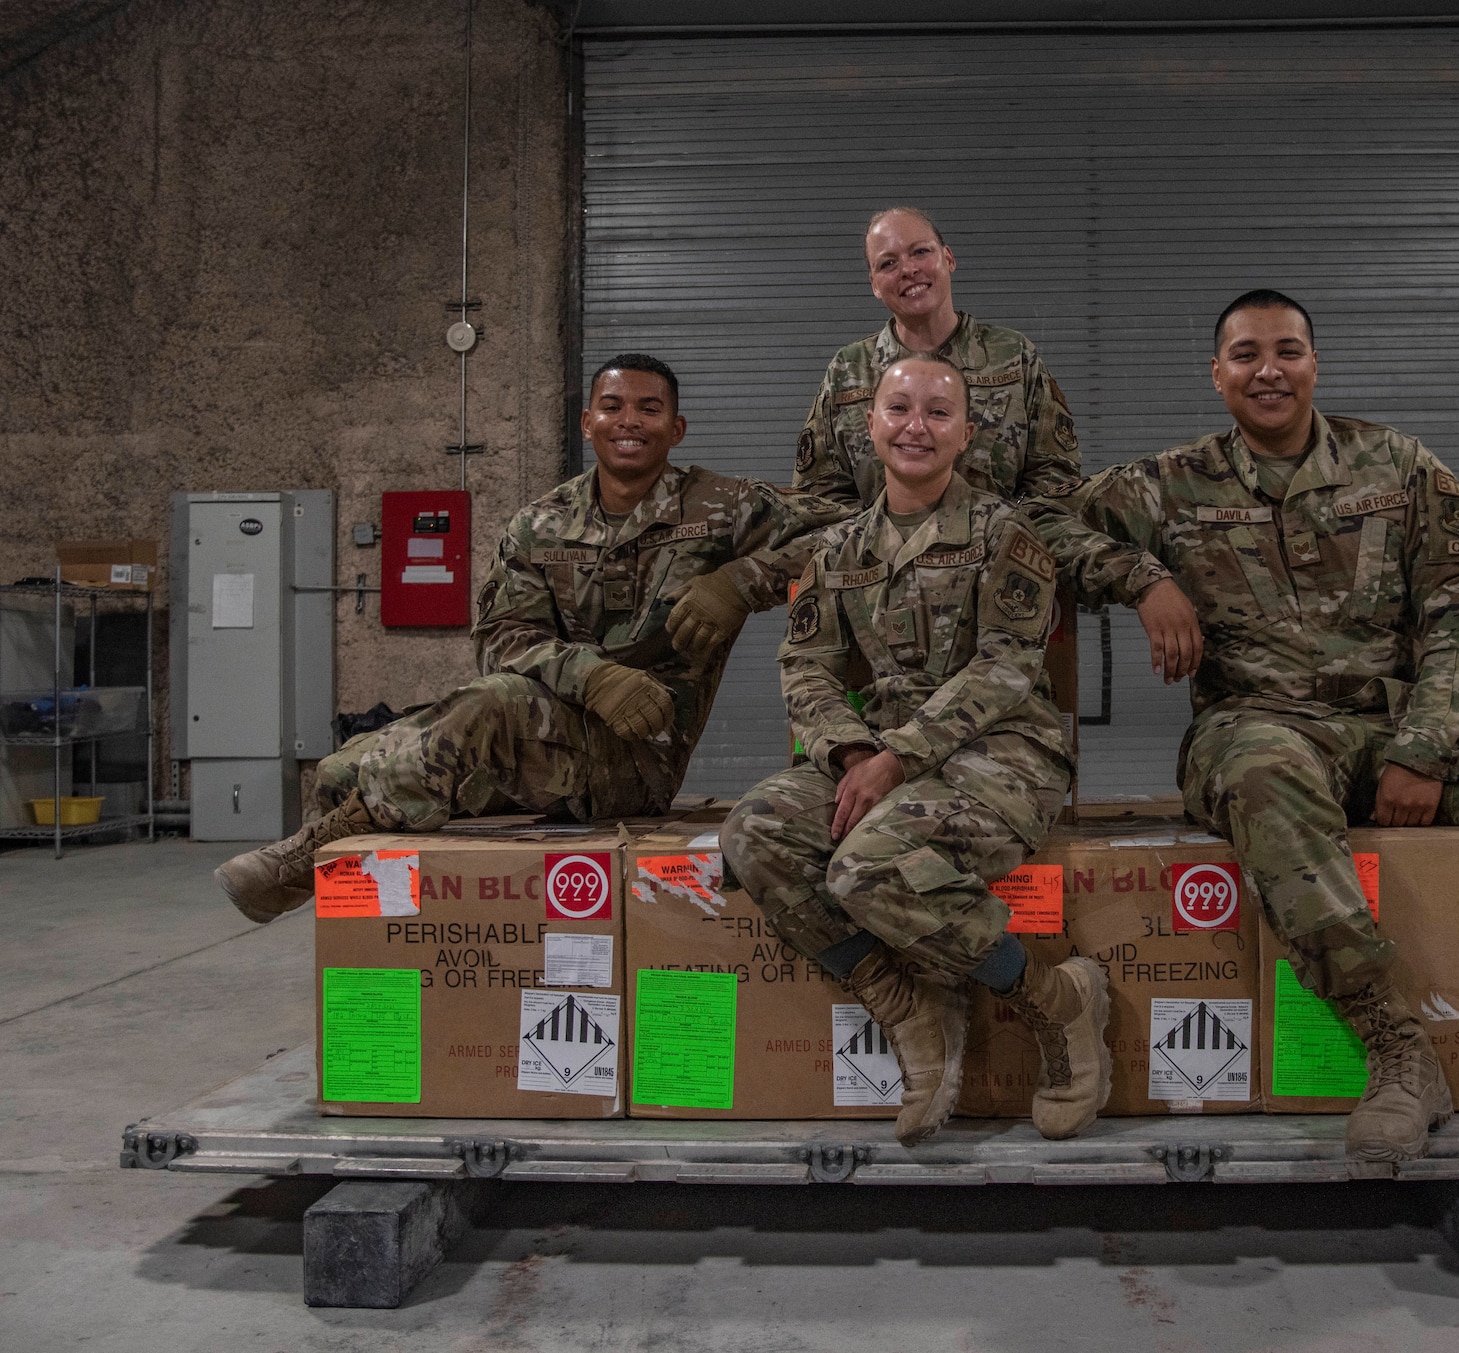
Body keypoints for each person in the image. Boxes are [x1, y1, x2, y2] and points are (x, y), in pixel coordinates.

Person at [1056, 290, 1459, 1163]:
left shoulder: (1401, 468)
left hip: (1402, 726)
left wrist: (1424, 747)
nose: (1267, 370)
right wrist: (1139, 577)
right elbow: (1037, 530)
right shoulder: (1167, 484)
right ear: (1217, 373)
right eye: (1245, 354)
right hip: (1260, 727)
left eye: (1287, 350)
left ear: (1314, 363)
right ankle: (1395, 1047)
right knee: (1264, 771)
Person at [214, 353, 851, 922]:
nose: (629, 421)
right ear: (586, 422)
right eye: (613, 406)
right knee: (340, 769)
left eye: (649, 409)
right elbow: (501, 634)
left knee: (490, 707)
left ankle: (296, 863)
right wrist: (592, 676)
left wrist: (744, 580)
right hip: (547, 730)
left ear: (675, 429)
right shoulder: (540, 523)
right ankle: (380, 929)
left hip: (636, 757)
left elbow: (853, 531)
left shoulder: (724, 506)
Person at [723, 356, 1109, 1148]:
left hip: (1005, 753)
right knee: (755, 831)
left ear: (967, 433)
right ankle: (907, 1002)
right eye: (899, 408)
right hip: (882, 755)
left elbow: (1005, 668)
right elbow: (806, 665)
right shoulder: (837, 550)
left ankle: (1055, 1001)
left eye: (939, 412)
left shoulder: (1006, 536)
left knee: (866, 865)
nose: (916, 427)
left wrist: (894, 757)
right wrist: (847, 751)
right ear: (870, 426)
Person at [795, 206, 1202, 683]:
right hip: (880, 606)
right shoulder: (848, 372)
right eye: (888, 262)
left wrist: (1140, 578)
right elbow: (820, 502)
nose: (907, 269)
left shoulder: (1014, 358)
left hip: (1002, 593)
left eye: (920, 252)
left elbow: (1055, 496)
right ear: (873, 282)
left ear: (947, 258)